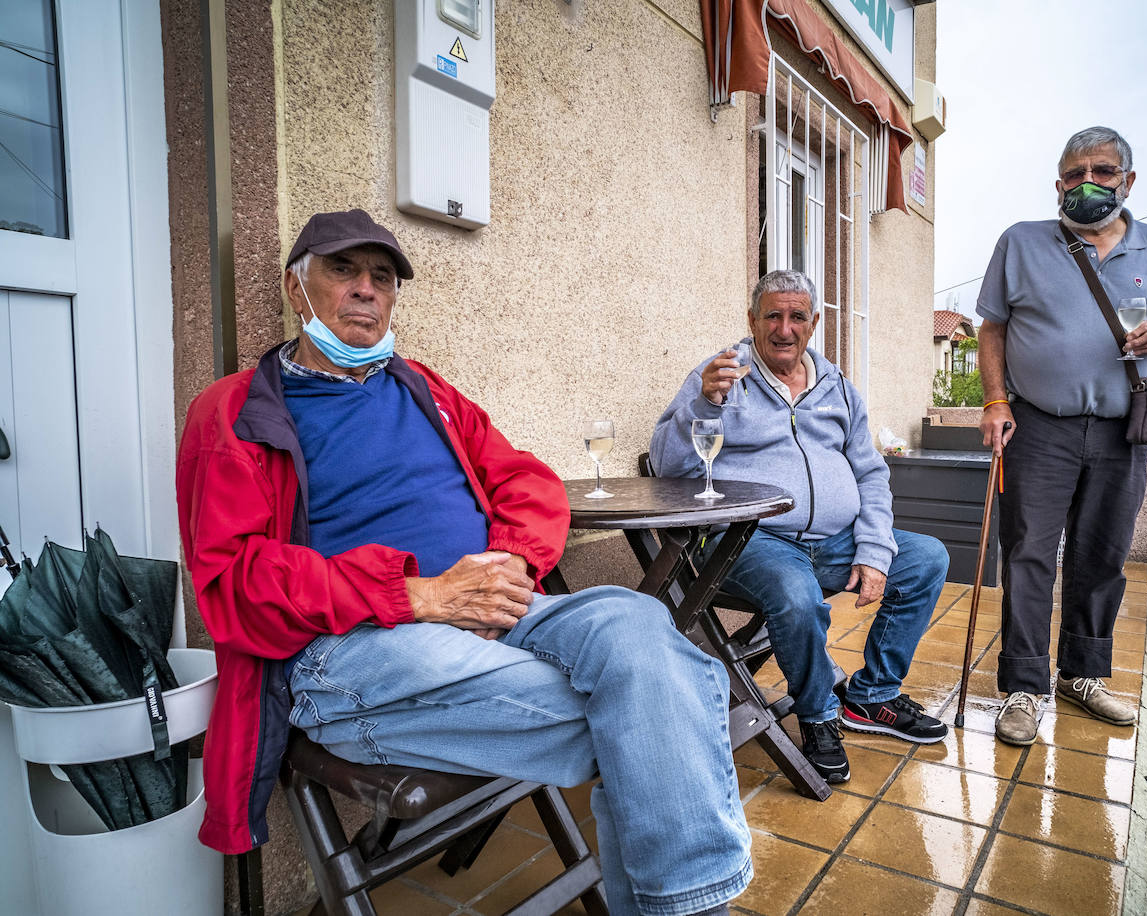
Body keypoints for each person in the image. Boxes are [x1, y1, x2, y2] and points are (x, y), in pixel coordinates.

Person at [176, 209, 751, 915]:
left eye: (381, 277)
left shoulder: (427, 391)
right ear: (298, 290)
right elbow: (233, 584)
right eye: (342, 270)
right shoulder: (235, 411)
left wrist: (504, 570)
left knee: (636, 625)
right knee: (659, 702)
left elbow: (527, 481)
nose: (365, 289)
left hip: (496, 611)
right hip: (353, 647)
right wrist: (420, 596)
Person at [650, 270, 950, 786]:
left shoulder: (838, 388)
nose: (784, 329)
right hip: (745, 540)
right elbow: (666, 465)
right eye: (772, 315)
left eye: (796, 317)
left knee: (925, 559)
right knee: (795, 591)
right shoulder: (721, 375)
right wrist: (704, 405)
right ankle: (817, 717)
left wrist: (875, 547)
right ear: (752, 321)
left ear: (813, 325)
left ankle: (871, 696)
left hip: (832, 541)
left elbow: (871, 475)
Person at [976, 127, 1147, 746]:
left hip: (1121, 426)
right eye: (1074, 175)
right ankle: (1023, 685)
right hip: (1039, 424)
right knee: (1027, 555)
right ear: (1057, 185)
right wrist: (995, 401)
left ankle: (1084, 673)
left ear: (1128, 181)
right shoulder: (1021, 242)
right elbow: (990, 328)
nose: (1087, 184)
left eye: (1102, 172)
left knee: (1102, 555)